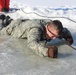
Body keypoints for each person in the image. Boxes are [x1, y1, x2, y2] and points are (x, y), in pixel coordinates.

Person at [0, 14, 73, 58]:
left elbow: (64, 31)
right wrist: (47, 52)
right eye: (53, 35)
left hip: (25, 22)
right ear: (48, 28)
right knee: (1, 30)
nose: (54, 38)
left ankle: (7, 19)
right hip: (15, 28)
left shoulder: (53, 26)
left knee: (12, 22)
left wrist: (68, 37)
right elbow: (32, 43)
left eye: (56, 36)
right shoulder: (36, 30)